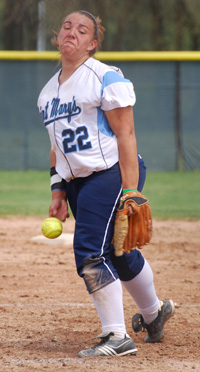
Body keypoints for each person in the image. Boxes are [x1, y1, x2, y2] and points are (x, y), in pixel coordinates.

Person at [37, 10, 175, 358]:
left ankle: (116, 336)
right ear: (57, 37)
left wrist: (131, 189)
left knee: (89, 251)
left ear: (93, 44)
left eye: (82, 30)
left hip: (111, 172)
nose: (72, 32)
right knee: (119, 250)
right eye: (67, 26)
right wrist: (57, 190)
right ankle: (154, 314)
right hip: (77, 182)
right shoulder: (47, 93)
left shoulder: (104, 77)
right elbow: (57, 149)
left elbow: (126, 134)